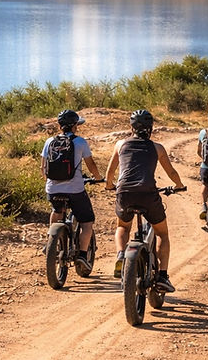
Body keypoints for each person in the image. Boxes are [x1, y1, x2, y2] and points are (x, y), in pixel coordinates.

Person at [105, 109, 186, 292]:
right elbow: (171, 172)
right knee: (162, 233)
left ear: (131, 127)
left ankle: (121, 255)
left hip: (124, 193)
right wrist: (179, 185)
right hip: (148, 194)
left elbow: (110, 172)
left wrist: (110, 185)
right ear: (151, 128)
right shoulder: (157, 148)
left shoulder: (120, 144)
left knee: (122, 227)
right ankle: (162, 276)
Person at [42, 109, 102, 273]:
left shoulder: (49, 142)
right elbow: (91, 165)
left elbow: (43, 168)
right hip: (75, 189)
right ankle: (82, 254)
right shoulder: (80, 142)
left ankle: (51, 242)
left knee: (56, 210)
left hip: (53, 189)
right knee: (87, 222)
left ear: (60, 126)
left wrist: (53, 183)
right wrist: (98, 178)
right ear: (75, 126)